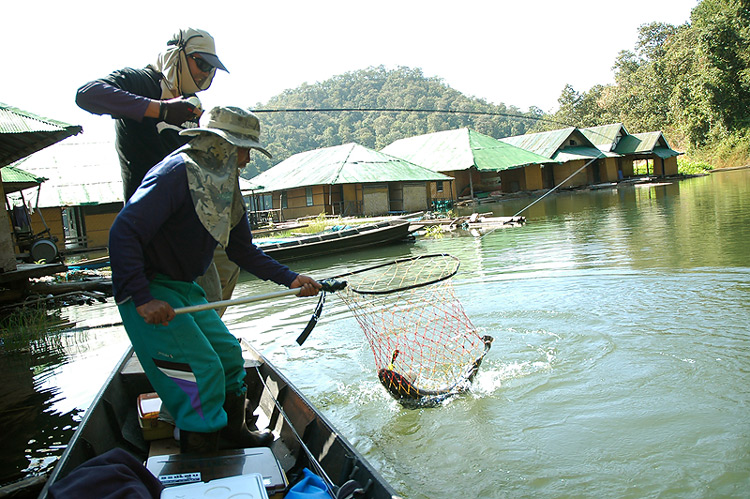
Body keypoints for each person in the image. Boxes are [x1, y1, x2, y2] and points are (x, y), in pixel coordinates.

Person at [108, 106, 322, 453]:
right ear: (219, 145)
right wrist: (143, 298)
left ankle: (234, 431)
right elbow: (123, 232)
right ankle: (201, 450)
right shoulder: (176, 173)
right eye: (244, 149)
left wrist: (291, 278)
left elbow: (243, 251)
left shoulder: (226, 187)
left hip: (183, 287)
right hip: (147, 289)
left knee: (227, 355)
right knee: (202, 368)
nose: (247, 159)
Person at [76, 27, 239, 311]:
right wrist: (162, 110)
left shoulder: (189, 105)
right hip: (155, 221)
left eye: (210, 70)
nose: (204, 74)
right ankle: (198, 341)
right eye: (201, 64)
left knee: (230, 261)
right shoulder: (141, 81)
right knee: (205, 292)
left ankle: (206, 333)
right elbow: (87, 95)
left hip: (191, 216)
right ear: (178, 54)